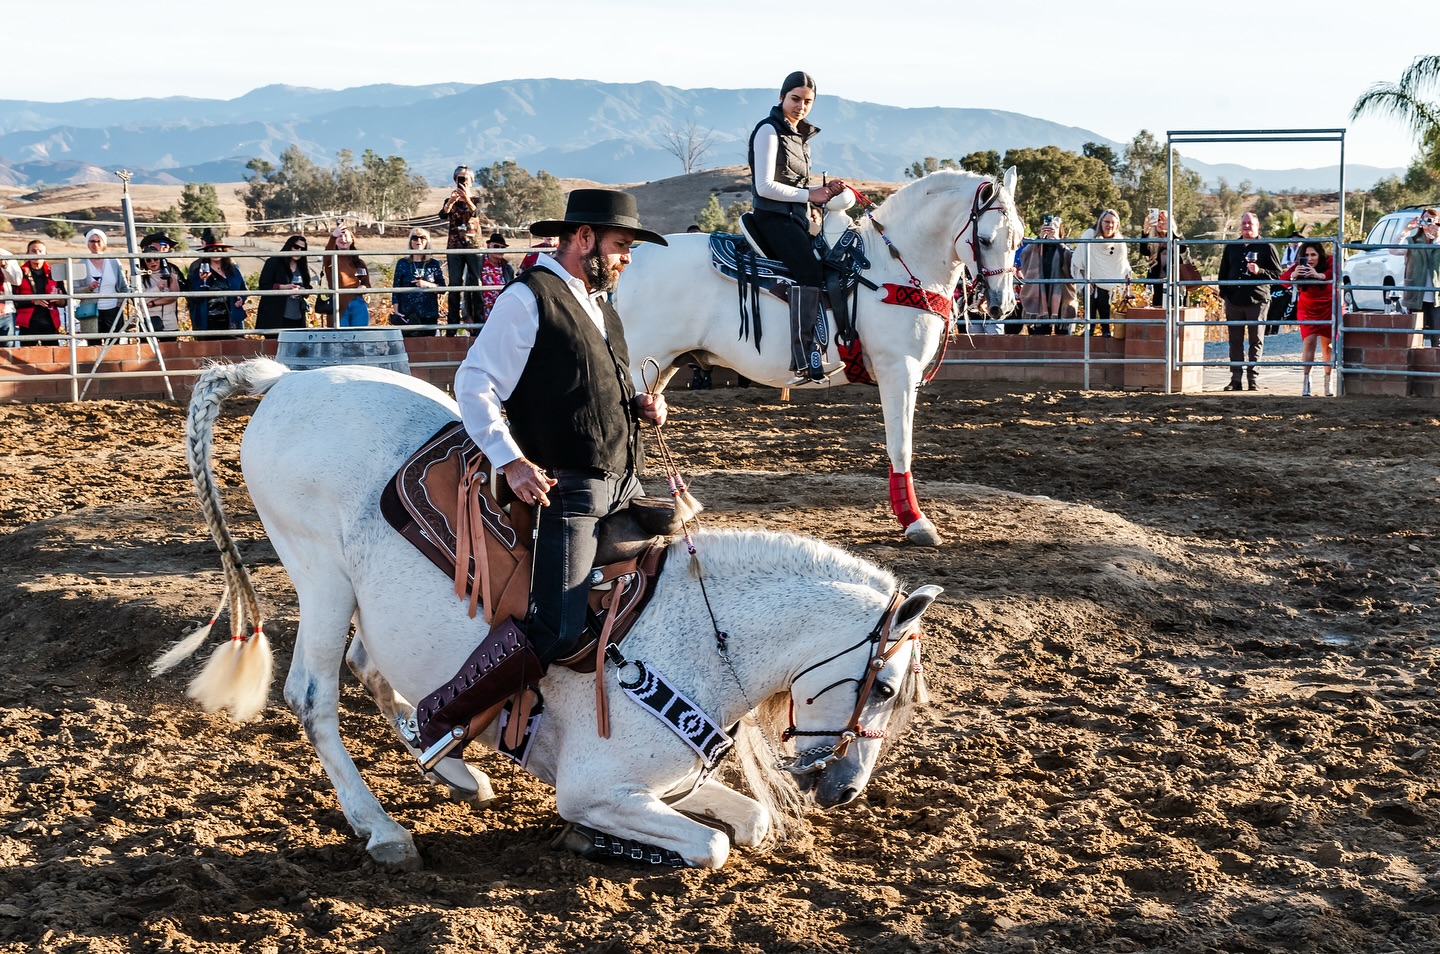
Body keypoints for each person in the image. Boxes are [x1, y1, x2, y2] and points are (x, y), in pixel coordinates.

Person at [451, 188, 669, 715]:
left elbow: (584, 385)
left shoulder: (602, 306)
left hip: (625, 480)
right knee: (559, 624)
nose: (627, 258)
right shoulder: (528, 298)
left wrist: (639, 404)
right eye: (621, 245)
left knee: (655, 593)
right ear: (584, 238)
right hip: (570, 491)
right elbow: (474, 382)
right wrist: (511, 460)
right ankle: (443, 717)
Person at [747, 69, 848, 382]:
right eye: (795, 99)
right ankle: (805, 359)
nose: (800, 106)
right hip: (773, 218)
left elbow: (796, 181)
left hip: (796, 218)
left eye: (807, 101)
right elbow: (764, 186)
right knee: (809, 273)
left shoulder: (799, 135)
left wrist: (823, 193)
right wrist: (809, 194)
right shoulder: (768, 130)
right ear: (781, 97)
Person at [1217, 212, 1281, 391]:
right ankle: (1235, 380)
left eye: (1250, 223)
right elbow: (1223, 273)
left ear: (1257, 225)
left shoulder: (1267, 246)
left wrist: (1259, 271)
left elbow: (1278, 274)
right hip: (1234, 300)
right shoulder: (1232, 247)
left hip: (1257, 300)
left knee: (1256, 340)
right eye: (1244, 223)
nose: (1246, 226)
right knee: (1235, 341)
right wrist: (1225, 294)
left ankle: (1253, 380)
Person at [1281, 241, 1336, 397]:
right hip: (1308, 309)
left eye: (1313, 255)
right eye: (1306, 255)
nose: (1310, 258)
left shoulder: (1330, 260)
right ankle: (1307, 381)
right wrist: (1294, 275)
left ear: (1320, 254)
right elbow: (1283, 281)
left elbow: (1335, 274)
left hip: (1328, 307)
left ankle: (1328, 381)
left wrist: (1318, 275)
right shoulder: (1300, 265)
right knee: (1309, 342)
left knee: (1327, 346)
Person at [1071, 209, 1133, 337]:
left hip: (1109, 280)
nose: (1109, 225)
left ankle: (1106, 329)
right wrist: (1087, 279)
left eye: (1113, 222)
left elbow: (1122, 262)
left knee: (1105, 303)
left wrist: (1127, 285)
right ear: (1100, 222)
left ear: (1117, 225)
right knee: (1090, 303)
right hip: (1090, 277)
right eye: (1106, 221)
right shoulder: (1089, 235)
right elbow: (1080, 258)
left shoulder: (1119, 241)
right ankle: (1089, 329)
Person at [440, 164, 483, 334]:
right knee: (455, 285)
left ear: (472, 181)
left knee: (476, 284)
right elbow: (443, 214)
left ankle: (478, 324)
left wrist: (467, 198)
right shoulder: (449, 201)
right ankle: (452, 326)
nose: (463, 181)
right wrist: (452, 201)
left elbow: (476, 213)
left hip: (474, 247)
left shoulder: (477, 200)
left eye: (466, 178)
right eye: (460, 178)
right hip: (454, 247)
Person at [1020, 214, 1078, 335]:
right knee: (1038, 339)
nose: (1051, 229)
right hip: (1039, 298)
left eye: (1055, 226)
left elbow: (1072, 265)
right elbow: (1024, 257)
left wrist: (1057, 241)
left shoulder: (1066, 246)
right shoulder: (1036, 245)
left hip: (1062, 298)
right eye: (1048, 226)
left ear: (1060, 230)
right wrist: (1039, 238)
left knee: (1064, 340)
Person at [1390, 209, 1440, 346]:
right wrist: (1406, 229)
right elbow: (1393, 250)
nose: (1428, 223)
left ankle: (1435, 366)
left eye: (1431, 219)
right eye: (1425, 219)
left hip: (1437, 298)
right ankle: (1418, 366)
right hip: (1416, 295)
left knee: (1438, 338)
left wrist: (1436, 237)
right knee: (1416, 337)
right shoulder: (1412, 242)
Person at [186, 230, 248, 337]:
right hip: (208, 319)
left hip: (231, 319)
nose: (215, 253)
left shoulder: (233, 270)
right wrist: (202, 281)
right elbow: (193, 296)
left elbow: (243, 289)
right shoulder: (198, 270)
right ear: (207, 252)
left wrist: (241, 299)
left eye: (218, 250)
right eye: (212, 250)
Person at [391, 228, 443, 337]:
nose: (418, 241)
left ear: (427, 242)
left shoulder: (433, 264)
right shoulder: (402, 263)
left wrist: (427, 285)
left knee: (428, 346)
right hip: (407, 311)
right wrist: (396, 310)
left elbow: (442, 288)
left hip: (429, 312)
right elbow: (396, 288)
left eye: (422, 238)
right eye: (414, 238)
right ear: (410, 242)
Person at [255, 235, 312, 332]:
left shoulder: (302, 267)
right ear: (289, 246)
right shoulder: (273, 262)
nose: (299, 251)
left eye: (302, 249)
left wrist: (303, 290)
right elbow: (263, 285)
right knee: (274, 345)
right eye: (296, 247)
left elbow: (308, 287)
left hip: (297, 317)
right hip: (275, 317)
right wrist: (283, 287)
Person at [81, 229, 130, 337]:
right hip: (90, 312)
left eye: (98, 241)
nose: (95, 244)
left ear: (104, 242)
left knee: (113, 344)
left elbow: (123, 286)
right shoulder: (81, 263)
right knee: (93, 344)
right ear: (87, 243)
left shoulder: (114, 261)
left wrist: (119, 303)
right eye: (92, 241)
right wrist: (88, 288)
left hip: (112, 310)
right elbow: (74, 290)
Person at [321, 223, 371, 328]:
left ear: (352, 240)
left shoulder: (359, 262)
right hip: (338, 303)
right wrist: (333, 236)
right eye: (340, 236)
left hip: (358, 303)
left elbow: (367, 284)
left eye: (346, 236)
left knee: (359, 336)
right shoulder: (331, 259)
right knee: (340, 338)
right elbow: (327, 254)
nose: (343, 239)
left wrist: (363, 287)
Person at [14, 240, 66, 339]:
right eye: (33, 251)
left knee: (51, 352)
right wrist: (34, 301)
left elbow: (65, 300)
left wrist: (60, 300)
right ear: (27, 254)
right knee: (26, 353)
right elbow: (13, 301)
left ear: (46, 254)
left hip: (51, 322)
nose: (37, 254)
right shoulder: (19, 273)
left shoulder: (54, 273)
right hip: (27, 323)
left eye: (40, 251)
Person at [1139, 209, 1187, 308]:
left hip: (1175, 284)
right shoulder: (1153, 240)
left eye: (1164, 220)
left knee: (1177, 312)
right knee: (1159, 314)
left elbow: (1182, 248)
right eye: (1157, 220)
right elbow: (1144, 250)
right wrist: (1145, 231)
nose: (1160, 223)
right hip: (1158, 284)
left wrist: (1170, 229)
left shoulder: (1174, 238)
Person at [137, 233, 183, 334]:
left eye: (156, 259)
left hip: (170, 323)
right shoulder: (139, 277)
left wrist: (153, 303)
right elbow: (139, 300)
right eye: (148, 260)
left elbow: (174, 296)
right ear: (144, 262)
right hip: (149, 322)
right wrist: (157, 288)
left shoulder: (172, 272)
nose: (153, 262)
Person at [478, 231, 515, 322]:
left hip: (501, 314)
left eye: (503, 247)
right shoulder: (477, 265)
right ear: (488, 246)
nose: (499, 249)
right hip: (481, 314)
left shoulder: (508, 268)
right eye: (496, 246)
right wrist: (467, 317)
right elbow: (467, 293)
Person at [0, 250, 22, 346]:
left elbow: (17, 281)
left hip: (6, 313)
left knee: (7, 354)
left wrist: (5, 266)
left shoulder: (6, 255)